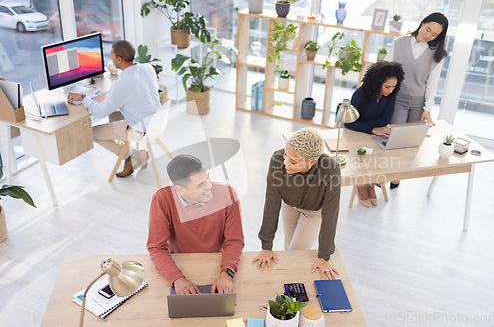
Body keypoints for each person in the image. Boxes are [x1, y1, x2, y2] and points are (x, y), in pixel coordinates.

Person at [147, 154, 244, 294]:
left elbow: (235, 241)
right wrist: (176, 278)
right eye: (200, 184)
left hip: (218, 261)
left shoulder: (228, 194)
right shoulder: (162, 198)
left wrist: (227, 273)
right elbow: (156, 247)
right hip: (180, 261)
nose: (209, 186)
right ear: (180, 189)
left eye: (207, 178)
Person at [252, 128, 341, 279]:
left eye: (292, 161)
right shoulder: (277, 159)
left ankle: (288, 282)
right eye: (286, 155)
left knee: (294, 253)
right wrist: (266, 246)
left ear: (312, 161)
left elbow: (330, 213)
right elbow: (271, 202)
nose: (285, 162)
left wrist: (324, 256)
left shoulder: (331, 169)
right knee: (289, 246)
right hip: (289, 205)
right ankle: (288, 284)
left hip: (314, 213)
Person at [67, 40, 160, 177]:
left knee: (91, 133)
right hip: (156, 122)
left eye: (112, 55)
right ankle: (134, 154)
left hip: (140, 130)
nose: (110, 58)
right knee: (114, 116)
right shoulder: (148, 68)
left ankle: (131, 157)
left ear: (119, 59)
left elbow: (99, 112)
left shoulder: (122, 84)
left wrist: (83, 98)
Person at [386, 12, 448, 189]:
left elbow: (432, 83)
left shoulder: (437, 54)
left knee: (410, 144)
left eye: (434, 34)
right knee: (395, 140)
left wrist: (427, 108)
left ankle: (396, 177)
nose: (428, 35)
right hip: (397, 98)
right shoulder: (400, 43)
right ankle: (384, 173)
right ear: (422, 23)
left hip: (418, 103)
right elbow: (385, 69)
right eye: (427, 29)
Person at [344, 61, 405, 207]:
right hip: (355, 135)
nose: (391, 90)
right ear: (377, 82)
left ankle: (371, 184)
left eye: (394, 86)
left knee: (382, 154)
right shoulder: (359, 94)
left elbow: (385, 119)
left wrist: (369, 127)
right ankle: (362, 184)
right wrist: (373, 129)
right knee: (363, 154)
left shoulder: (391, 95)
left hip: (372, 134)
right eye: (387, 86)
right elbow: (349, 123)